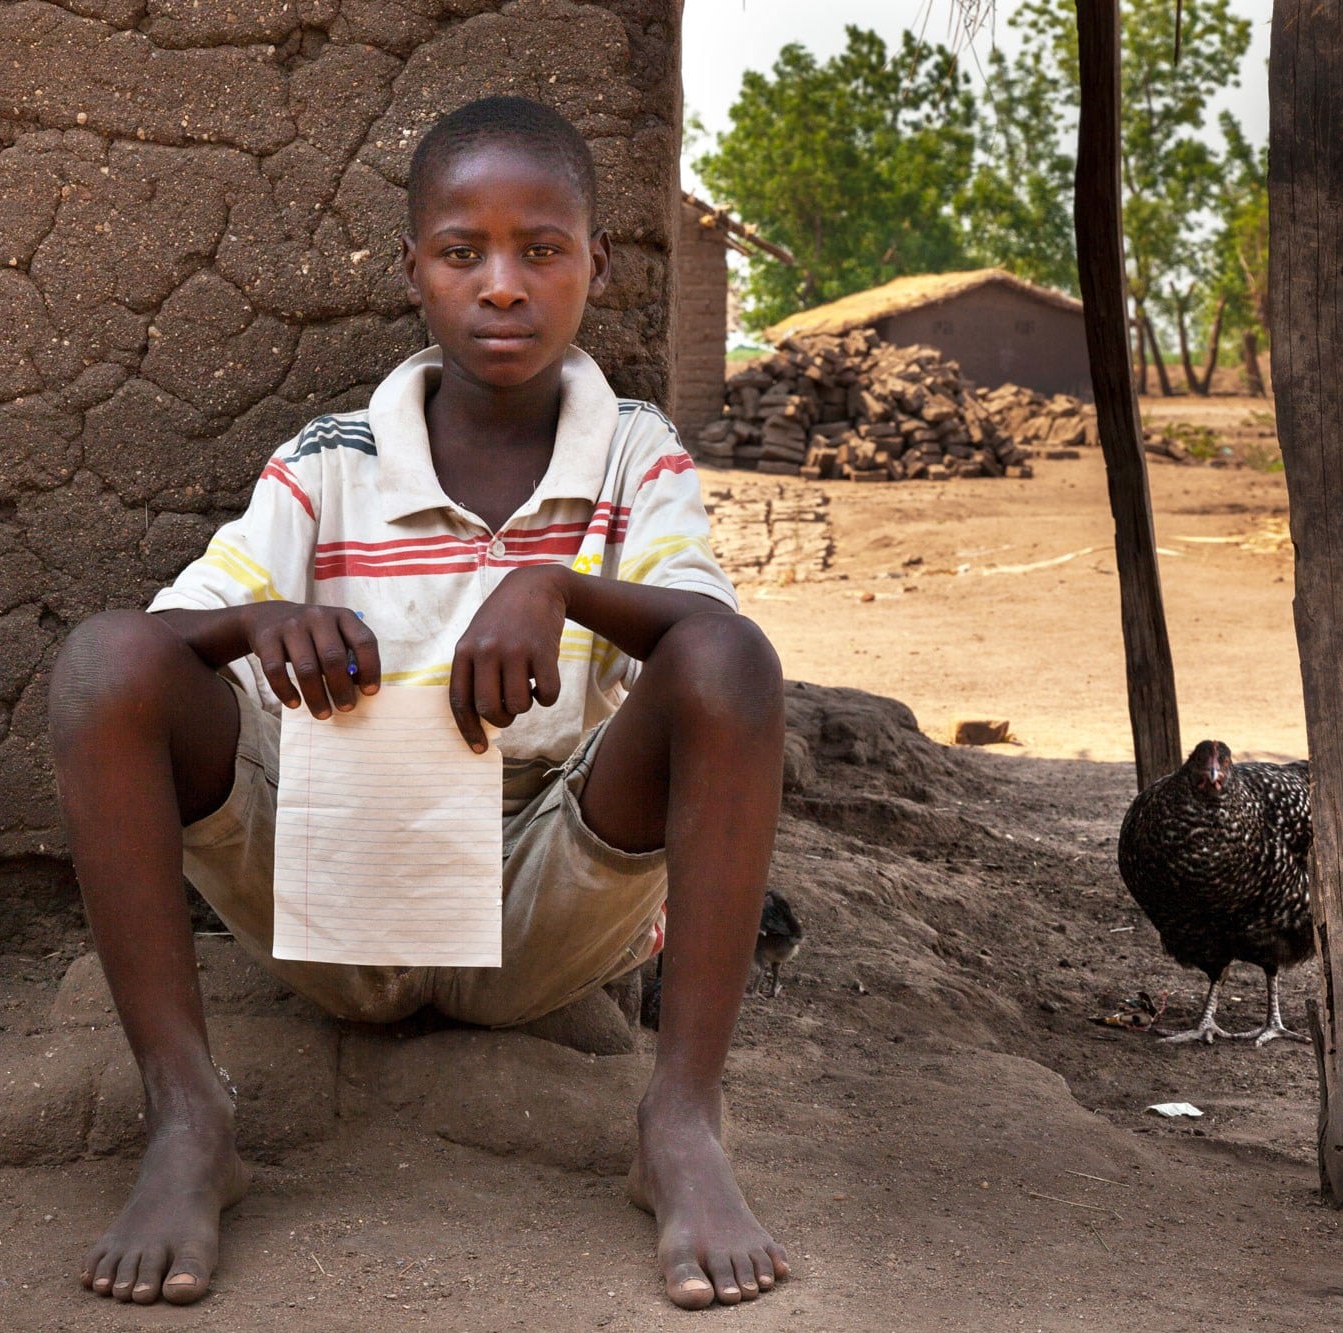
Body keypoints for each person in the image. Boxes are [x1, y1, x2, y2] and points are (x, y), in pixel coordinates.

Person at [47, 95, 789, 1312]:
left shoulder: (633, 451)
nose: (503, 285)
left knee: (731, 665)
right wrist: (257, 624)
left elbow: (719, 650)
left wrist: (558, 586)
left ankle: (680, 1122)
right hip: (341, 889)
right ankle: (188, 1118)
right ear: (412, 270)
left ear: (596, 263)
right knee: (103, 665)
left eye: (540, 249)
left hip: (548, 897)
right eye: (463, 252)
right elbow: (161, 636)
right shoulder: (329, 458)